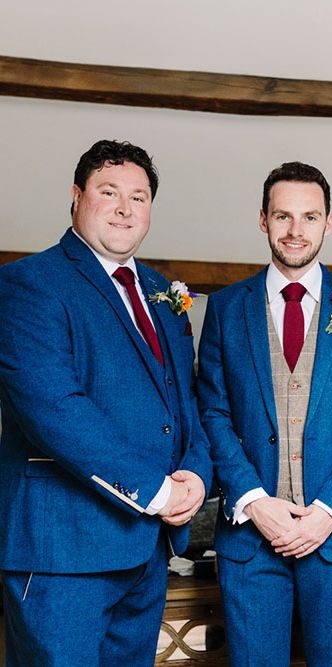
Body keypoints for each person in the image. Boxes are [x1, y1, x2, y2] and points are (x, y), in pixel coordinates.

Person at [0, 139, 212, 666]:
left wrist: (196, 474)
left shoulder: (163, 292)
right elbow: (57, 410)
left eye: (138, 197)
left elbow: (183, 399)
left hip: (145, 550)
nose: (124, 207)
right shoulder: (28, 284)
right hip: (63, 553)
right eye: (109, 191)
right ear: (76, 197)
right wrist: (156, 491)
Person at [196, 161, 332, 666]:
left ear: (328, 222)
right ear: (263, 219)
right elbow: (213, 413)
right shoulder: (225, 308)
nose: (295, 230)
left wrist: (328, 511)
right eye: (283, 216)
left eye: (309, 217)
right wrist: (255, 500)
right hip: (250, 536)